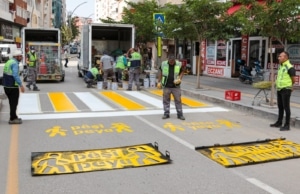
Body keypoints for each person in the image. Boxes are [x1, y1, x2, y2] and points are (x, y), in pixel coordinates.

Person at [270, 51, 296, 131]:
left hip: (286, 89)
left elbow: (293, 79)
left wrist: (290, 86)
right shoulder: (281, 66)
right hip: (279, 89)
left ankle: (287, 125)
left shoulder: (289, 67)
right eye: (279, 56)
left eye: (280, 56)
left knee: (286, 107)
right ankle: (279, 122)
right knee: (280, 106)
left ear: (285, 58)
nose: (279, 58)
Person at [157, 55, 185, 120]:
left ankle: (180, 114)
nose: (171, 63)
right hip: (166, 85)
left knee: (178, 100)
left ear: (174, 60)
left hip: (176, 86)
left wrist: (180, 79)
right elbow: (160, 73)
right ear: (168, 60)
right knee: (166, 100)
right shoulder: (164, 64)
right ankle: (166, 113)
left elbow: (182, 71)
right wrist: (158, 82)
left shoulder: (179, 64)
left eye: (173, 61)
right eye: (170, 61)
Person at [2, 50, 25, 124]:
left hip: (6, 86)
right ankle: (12, 118)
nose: (21, 57)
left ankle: (14, 116)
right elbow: (15, 75)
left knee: (12, 103)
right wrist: (21, 85)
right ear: (16, 56)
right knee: (13, 103)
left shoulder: (9, 61)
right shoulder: (15, 63)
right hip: (12, 86)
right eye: (20, 56)